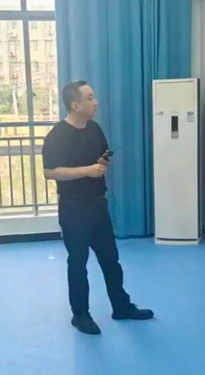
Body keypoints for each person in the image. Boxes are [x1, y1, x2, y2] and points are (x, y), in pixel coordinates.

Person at [42, 81, 155, 335]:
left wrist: (103, 163)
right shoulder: (57, 135)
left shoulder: (94, 129)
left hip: (97, 205)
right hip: (73, 208)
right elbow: (50, 172)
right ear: (75, 105)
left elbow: (102, 156)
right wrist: (87, 171)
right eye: (90, 98)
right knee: (78, 263)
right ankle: (80, 315)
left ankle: (121, 306)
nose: (96, 102)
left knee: (110, 259)